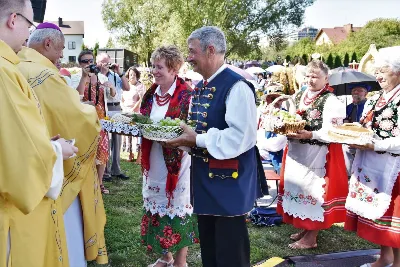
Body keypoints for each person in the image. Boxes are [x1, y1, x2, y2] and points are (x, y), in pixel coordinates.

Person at [167, 26, 264, 267]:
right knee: (211, 250)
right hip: (207, 182)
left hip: (228, 183)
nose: (188, 57)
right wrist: (182, 140)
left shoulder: (237, 86)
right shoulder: (202, 86)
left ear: (210, 50)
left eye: (192, 52)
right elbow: (199, 130)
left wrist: (196, 140)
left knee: (230, 253)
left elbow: (240, 138)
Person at [18, 23, 109, 266]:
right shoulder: (44, 75)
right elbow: (75, 118)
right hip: (56, 170)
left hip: (24, 170)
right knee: (64, 238)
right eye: (59, 50)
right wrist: (90, 112)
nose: (60, 57)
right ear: (47, 44)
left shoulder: (15, 67)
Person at [0, 1, 77, 266]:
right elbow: (20, 158)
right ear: (13, 19)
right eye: (28, 24)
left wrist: (43, 143)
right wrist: (57, 151)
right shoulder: (3, 72)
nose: (28, 33)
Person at [276, 60, 348, 249]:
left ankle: (311, 237)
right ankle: (305, 229)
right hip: (297, 152)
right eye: (308, 75)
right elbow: (292, 117)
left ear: (326, 78)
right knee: (300, 190)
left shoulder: (332, 101)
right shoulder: (301, 94)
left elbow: (334, 131)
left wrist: (311, 134)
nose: (310, 80)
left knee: (314, 191)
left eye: (315, 76)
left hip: (317, 153)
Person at [139, 45, 197, 267]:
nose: (155, 71)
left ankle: (180, 261)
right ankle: (165, 256)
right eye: (153, 66)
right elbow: (144, 120)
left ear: (174, 69)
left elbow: (192, 128)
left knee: (178, 207)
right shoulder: (151, 93)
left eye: (160, 67)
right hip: (154, 157)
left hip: (177, 161)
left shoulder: (187, 96)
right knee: (155, 202)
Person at [345, 46, 400, 267]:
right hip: (370, 163)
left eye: (383, 70)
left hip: (395, 166)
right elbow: (366, 126)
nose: (378, 75)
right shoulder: (375, 98)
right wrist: (352, 132)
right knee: (380, 214)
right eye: (376, 71)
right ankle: (385, 257)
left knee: (394, 218)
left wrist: (375, 143)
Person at [76, 50, 118, 195]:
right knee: (87, 151)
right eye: (85, 61)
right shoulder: (76, 77)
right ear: (79, 64)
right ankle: (85, 183)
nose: (89, 64)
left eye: (90, 61)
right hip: (84, 120)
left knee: (102, 151)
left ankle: (99, 183)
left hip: (101, 119)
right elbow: (75, 96)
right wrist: (83, 77)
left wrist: (112, 87)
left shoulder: (101, 77)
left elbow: (112, 97)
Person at [96, 53, 130, 181]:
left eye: (107, 62)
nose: (106, 65)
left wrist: (119, 72)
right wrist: (103, 74)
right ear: (97, 62)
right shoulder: (96, 76)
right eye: (103, 62)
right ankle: (105, 171)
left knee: (117, 139)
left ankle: (116, 169)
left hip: (116, 107)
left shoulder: (115, 75)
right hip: (104, 107)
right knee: (105, 139)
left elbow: (127, 87)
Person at [258, 86, 287, 174]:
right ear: (267, 99)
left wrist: (261, 143)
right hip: (260, 157)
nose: (276, 101)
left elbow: (276, 145)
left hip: (278, 158)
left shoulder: (286, 115)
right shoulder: (259, 113)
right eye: (273, 98)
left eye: (279, 99)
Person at [121, 66, 145, 162]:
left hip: (136, 113)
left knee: (137, 133)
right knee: (128, 133)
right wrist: (123, 107)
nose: (132, 77)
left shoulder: (140, 86)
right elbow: (121, 99)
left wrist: (133, 109)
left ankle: (139, 154)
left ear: (137, 76)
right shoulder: (125, 85)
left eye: (134, 75)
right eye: (131, 75)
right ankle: (129, 153)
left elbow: (141, 99)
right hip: (126, 111)